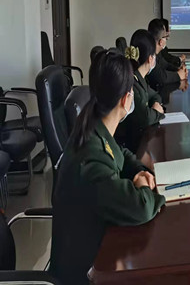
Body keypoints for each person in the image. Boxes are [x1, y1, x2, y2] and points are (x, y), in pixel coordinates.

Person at [50, 50, 165, 285]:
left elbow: (119, 154)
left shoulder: (92, 126)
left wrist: (140, 171)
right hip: (83, 273)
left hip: (96, 248)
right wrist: (143, 186)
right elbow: (141, 207)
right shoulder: (91, 162)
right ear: (125, 100)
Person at [115, 30, 165, 153]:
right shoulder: (132, 82)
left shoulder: (140, 78)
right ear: (150, 59)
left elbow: (155, 95)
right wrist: (157, 112)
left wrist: (155, 104)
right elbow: (145, 118)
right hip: (129, 146)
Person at [147, 18, 187, 91]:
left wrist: (178, 70)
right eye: (165, 37)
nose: (167, 39)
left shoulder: (157, 53)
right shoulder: (149, 55)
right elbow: (161, 77)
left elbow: (165, 65)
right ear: (161, 42)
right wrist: (178, 75)